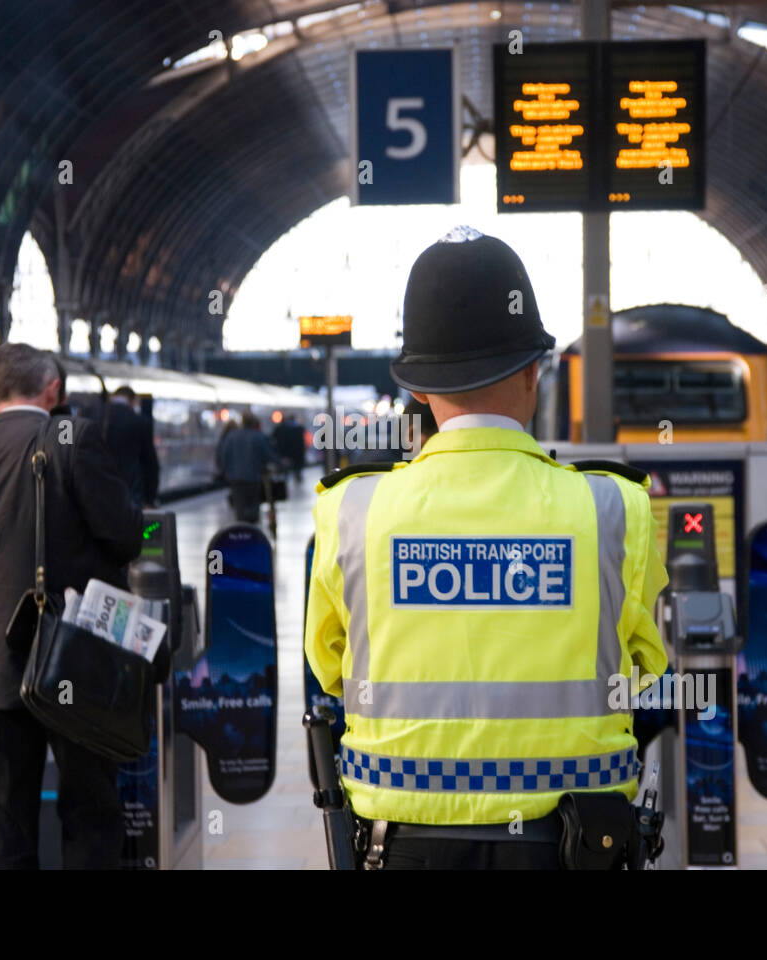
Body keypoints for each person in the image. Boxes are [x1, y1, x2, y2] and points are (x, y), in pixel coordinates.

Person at [304, 228, 669, 870]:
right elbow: (646, 664)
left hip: (401, 847)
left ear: (417, 388)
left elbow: (333, 669)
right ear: (534, 370)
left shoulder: (350, 511)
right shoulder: (614, 509)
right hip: (574, 846)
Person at [0, 343, 142, 869]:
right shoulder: (72, 440)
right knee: (90, 816)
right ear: (53, 391)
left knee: (7, 827)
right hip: (72, 659)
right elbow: (125, 535)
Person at [102, 386, 159, 509]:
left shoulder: (95, 416)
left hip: (99, 493)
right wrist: (149, 499)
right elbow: (150, 464)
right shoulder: (140, 422)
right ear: (133, 401)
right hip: (131, 494)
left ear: (113, 396)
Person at [217, 411, 279, 523]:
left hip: (235, 478)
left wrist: (225, 472)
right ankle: (252, 526)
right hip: (253, 477)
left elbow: (224, 455)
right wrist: (280, 463)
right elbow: (268, 455)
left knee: (239, 507)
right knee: (253, 505)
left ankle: (242, 527)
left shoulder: (231, 436)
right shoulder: (258, 436)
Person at [272, 412, 307, 481]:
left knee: (286, 471)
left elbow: (275, 439)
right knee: (297, 470)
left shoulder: (282, 428)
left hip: (288, 452)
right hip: (298, 452)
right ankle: (297, 478)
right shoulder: (299, 428)